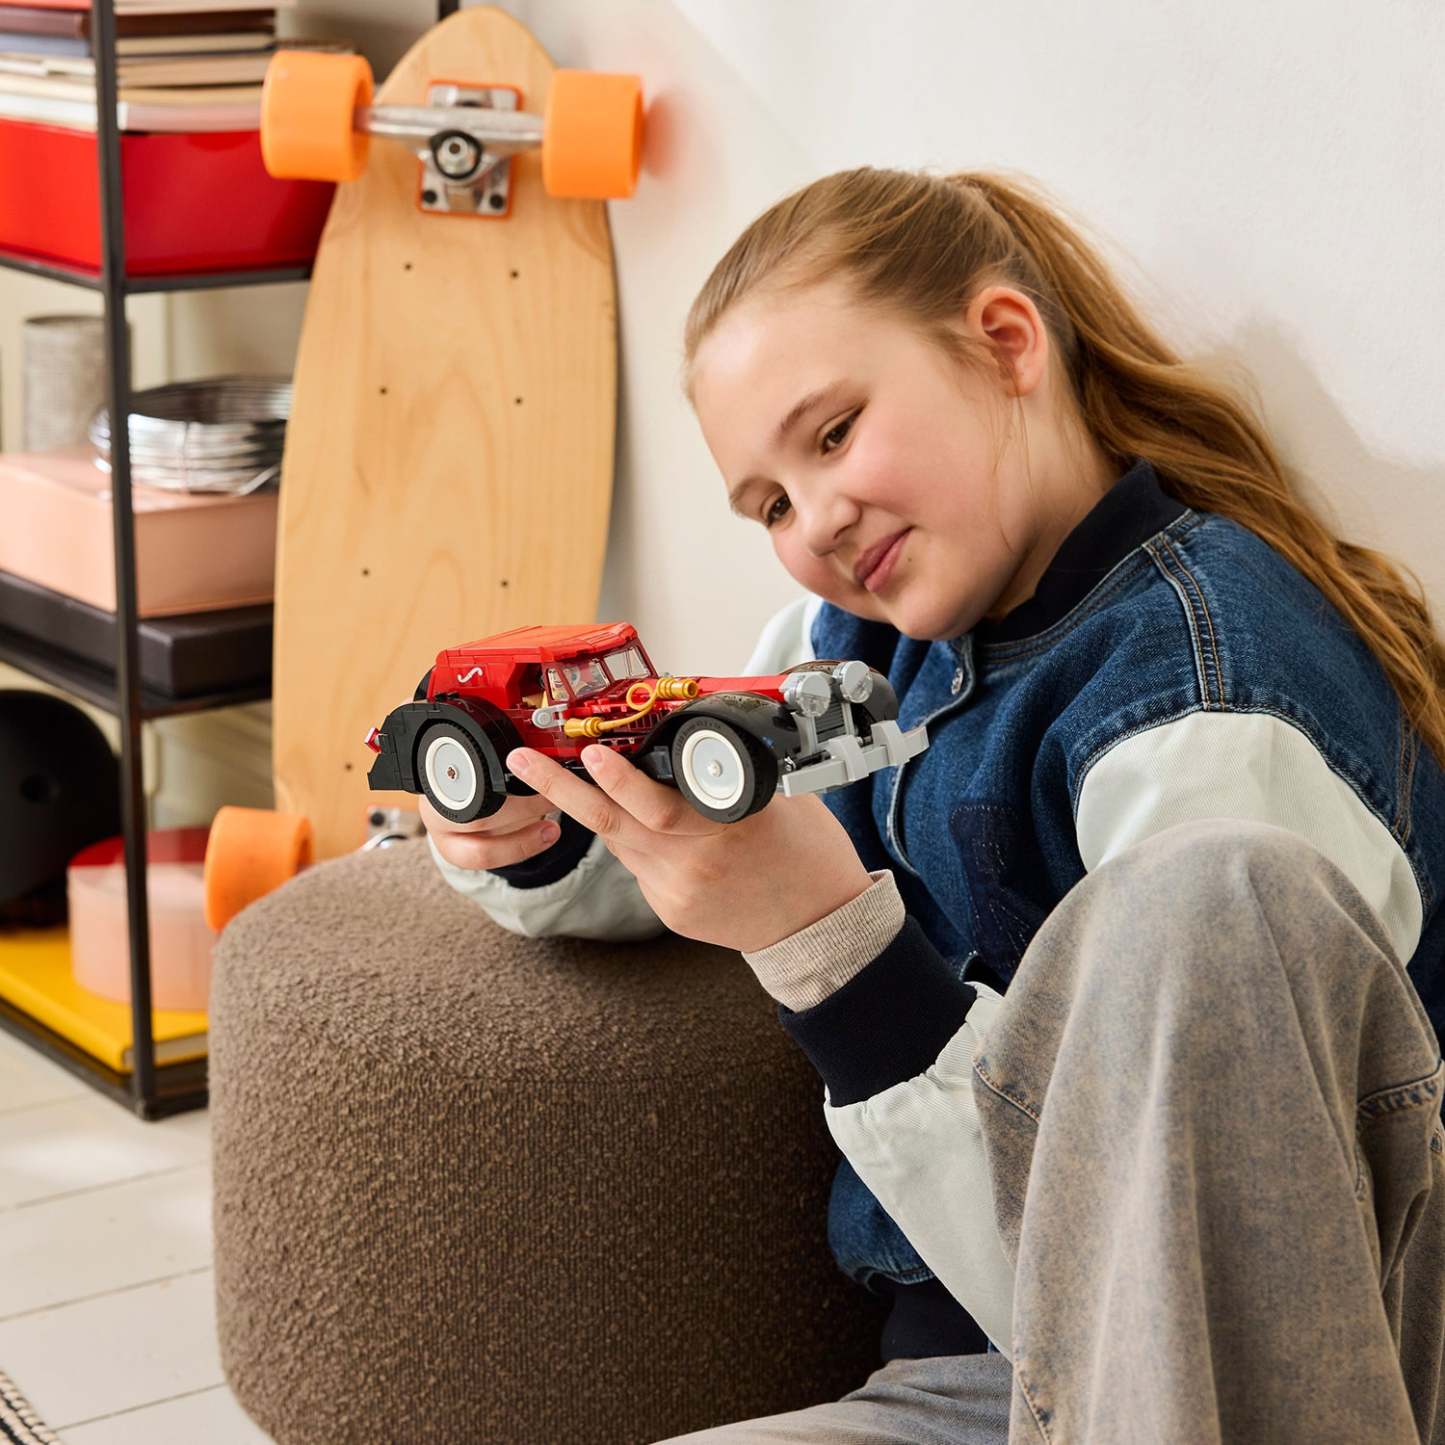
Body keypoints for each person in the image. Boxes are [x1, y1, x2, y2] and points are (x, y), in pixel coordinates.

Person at [420, 167, 1445, 1442]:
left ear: (1005, 344)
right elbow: (690, 837)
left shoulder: (1206, 729)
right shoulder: (857, 643)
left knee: (1207, 890)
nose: (817, 521)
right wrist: (536, 828)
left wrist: (829, 945)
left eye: (832, 434)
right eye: (769, 503)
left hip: (1191, 1383)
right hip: (960, 1386)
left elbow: (1169, 1300)